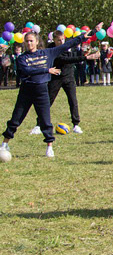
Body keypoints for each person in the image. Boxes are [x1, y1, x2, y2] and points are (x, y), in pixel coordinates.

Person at [2, 28, 94, 159]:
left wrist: (82, 37)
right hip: (26, 91)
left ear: (37, 41)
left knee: (45, 120)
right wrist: (47, 70)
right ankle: (5, 144)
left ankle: (49, 147)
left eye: (31, 41)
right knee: (16, 118)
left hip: (41, 91)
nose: (29, 43)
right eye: (26, 41)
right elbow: (28, 70)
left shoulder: (48, 53)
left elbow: (67, 45)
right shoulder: (22, 58)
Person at [44, 30, 99, 135]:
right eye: (58, 40)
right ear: (54, 40)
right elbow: (66, 59)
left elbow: (81, 37)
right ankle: (39, 124)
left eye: (62, 39)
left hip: (69, 77)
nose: (61, 42)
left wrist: (95, 30)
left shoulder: (68, 45)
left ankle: (76, 125)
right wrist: (86, 57)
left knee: (73, 100)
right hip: (56, 77)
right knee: (48, 101)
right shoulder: (52, 49)